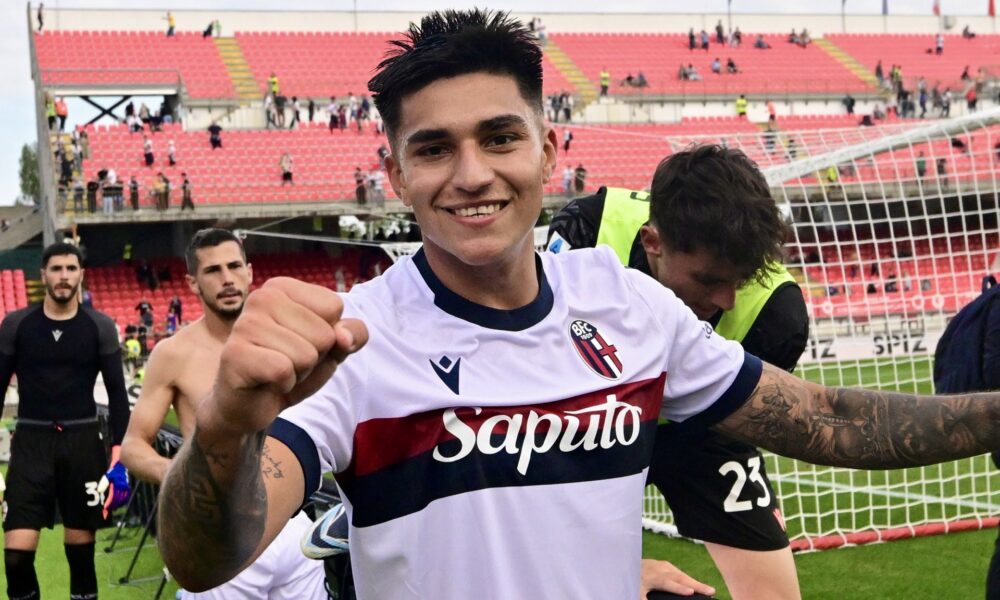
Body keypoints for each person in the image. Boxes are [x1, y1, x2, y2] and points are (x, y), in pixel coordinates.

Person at [156, 10, 1000, 599]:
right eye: (434, 148)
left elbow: (827, 420)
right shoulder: (354, 340)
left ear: (549, 150)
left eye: (500, 136)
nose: (473, 174)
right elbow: (205, 561)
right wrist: (225, 428)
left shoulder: (632, 307)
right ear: (395, 176)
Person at [547, 146, 808, 600]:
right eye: (709, 280)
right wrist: (613, 566)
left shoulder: (779, 313)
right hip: (592, 424)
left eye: (741, 279)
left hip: (704, 427)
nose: (727, 300)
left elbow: (737, 420)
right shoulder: (584, 232)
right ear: (652, 242)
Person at [120, 229, 326, 600]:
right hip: (222, 532)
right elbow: (133, 446)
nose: (227, 279)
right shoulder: (174, 353)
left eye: (234, 266)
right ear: (193, 283)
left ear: (250, 272)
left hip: (294, 527)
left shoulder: (289, 342)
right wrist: (181, 475)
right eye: (213, 270)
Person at [1, 243, 131, 600]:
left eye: (71, 269)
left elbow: (118, 397)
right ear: (43, 274)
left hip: (83, 443)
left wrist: (119, 459)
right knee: (15, 558)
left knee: (81, 559)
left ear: (81, 275)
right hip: (30, 443)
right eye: (56, 269)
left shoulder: (99, 326)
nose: (64, 276)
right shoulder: (16, 325)